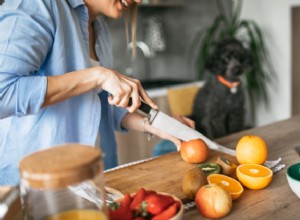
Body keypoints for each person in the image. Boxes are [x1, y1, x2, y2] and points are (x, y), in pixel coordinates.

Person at [0, 0, 194, 185]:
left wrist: (153, 125)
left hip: (90, 181)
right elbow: (4, 94)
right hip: (36, 189)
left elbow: (102, 103)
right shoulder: (38, 6)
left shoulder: (99, 28)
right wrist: (98, 76)